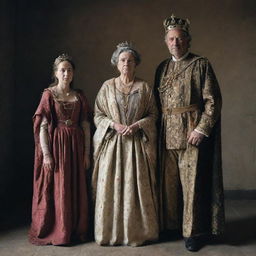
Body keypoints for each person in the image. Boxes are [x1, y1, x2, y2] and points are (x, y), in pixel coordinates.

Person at [154, 15, 225, 251]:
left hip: (191, 133)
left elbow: (213, 101)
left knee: (192, 185)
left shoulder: (201, 64)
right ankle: (173, 226)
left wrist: (201, 129)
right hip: (166, 134)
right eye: (171, 39)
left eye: (180, 39)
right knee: (169, 185)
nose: (175, 43)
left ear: (188, 41)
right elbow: (155, 103)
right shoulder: (162, 68)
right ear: (166, 42)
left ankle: (193, 232)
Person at [92, 42, 159, 246]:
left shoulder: (144, 87)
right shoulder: (107, 86)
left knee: (135, 187)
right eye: (122, 60)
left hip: (136, 147)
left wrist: (138, 125)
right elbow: (98, 114)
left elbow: (153, 114)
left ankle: (138, 233)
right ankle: (111, 233)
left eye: (130, 60)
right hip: (113, 146)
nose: (126, 64)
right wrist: (113, 124)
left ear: (136, 63)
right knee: (111, 187)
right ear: (116, 63)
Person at [29, 54, 91, 245]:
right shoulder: (49, 94)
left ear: (73, 73)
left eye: (69, 70)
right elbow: (42, 126)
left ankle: (74, 228)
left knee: (75, 185)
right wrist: (46, 154)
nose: (66, 73)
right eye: (62, 70)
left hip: (76, 145)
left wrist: (87, 153)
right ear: (56, 73)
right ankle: (59, 230)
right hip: (57, 147)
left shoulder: (79, 95)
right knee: (59, 186)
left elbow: (86, 125)